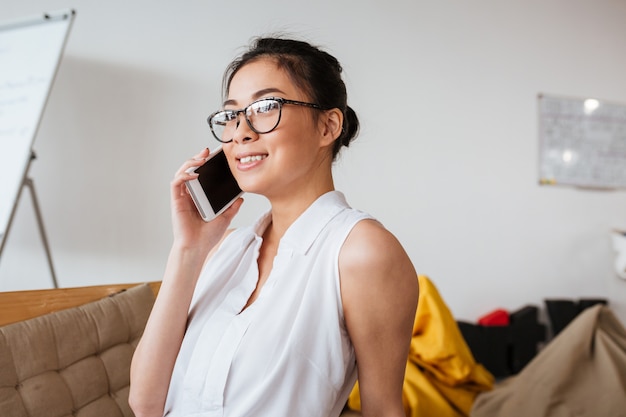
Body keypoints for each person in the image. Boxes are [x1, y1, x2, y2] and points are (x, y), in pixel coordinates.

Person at [129, 36, 419, 417]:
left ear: (329, 125)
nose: (241, 133)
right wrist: (188, 249)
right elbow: (144, 404)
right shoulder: (225, 249)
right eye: (232, 115)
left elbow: (384, 410)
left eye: (266, 107)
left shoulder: (361, 252)